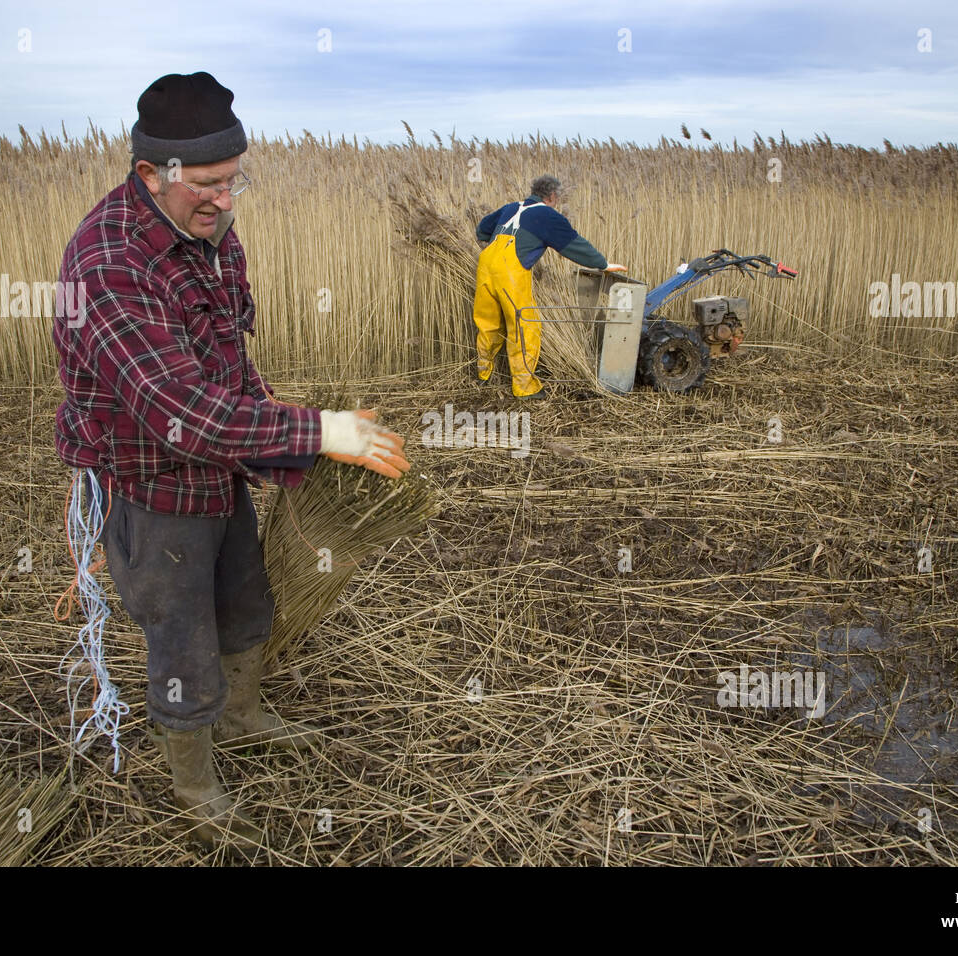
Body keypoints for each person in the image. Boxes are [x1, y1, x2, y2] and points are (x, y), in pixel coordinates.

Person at [52, 72, 410, 850]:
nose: (225, 200)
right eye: (206, 185)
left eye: (233, 179)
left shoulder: (210, 232)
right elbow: (177, 411)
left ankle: (243, 716)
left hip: (221, 469)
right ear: (151, 175)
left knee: (247, 602)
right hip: (148, 483)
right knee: (181, 633)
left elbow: (227, 367)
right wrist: (317, 433)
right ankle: (192, 780)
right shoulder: (108, 264)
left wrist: (287, 439)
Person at [472, 175, 625, 398]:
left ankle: (483, 375)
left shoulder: (512, 207)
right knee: (525, 326)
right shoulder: (547, 215)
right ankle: (524, 388)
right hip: (509, 272)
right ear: (552, 196)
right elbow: (574, 244)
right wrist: (603, 264)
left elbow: (482, 230)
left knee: (488, 322)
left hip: (486, 265)